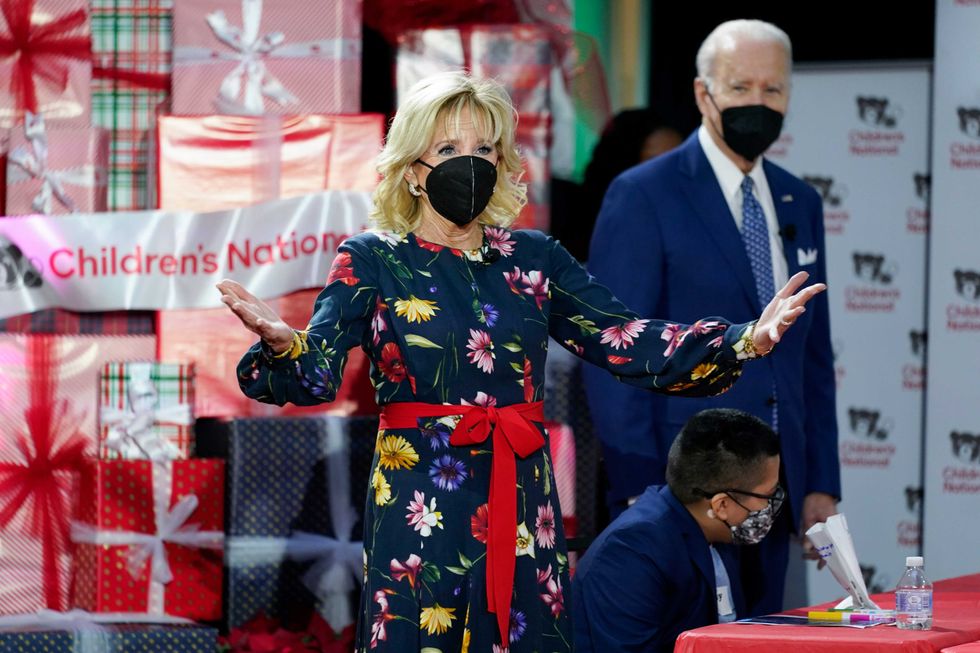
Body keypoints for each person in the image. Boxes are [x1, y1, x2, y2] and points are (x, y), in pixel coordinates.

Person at [216, 71, 824, 652]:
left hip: (523, 499)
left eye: (486, 147)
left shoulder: (534, 258)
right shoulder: (373, 259)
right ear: (412, 170)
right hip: (421, 500)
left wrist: (743, 338)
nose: (471, 161)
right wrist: (281, 345)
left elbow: (623, 337)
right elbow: (315, 368)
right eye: (449, 145)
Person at [583, 19, 840, 616]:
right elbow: (615, 351)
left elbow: (815, 354)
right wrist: (638, 489)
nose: (758, 103)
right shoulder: (642, 193)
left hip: (775, 494)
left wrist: (819, 480)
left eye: (773, 90)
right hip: (685, 494)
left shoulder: (800, 199)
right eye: (741, 86)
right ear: (704, 93)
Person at [573, 408, 782, 653]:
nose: (770, 506)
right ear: (722, 504)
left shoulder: (718, 532)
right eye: (767, 496)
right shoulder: (631, 551)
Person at [553, 108, 684, 262]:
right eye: (654, 162)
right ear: (623, 161)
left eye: (676, 162)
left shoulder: (678, 225)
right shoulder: (561, 213)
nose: (668, 174)